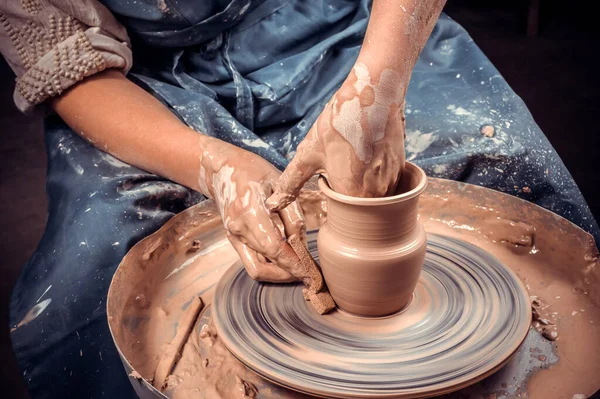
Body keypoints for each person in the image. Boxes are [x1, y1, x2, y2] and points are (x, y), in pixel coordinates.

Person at [1, 0, 597, 398]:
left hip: (344, 30)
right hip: (141, 79)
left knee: (505, 175)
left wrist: (379, 84)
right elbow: (65, 60)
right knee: (91, 283)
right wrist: (214, 165)